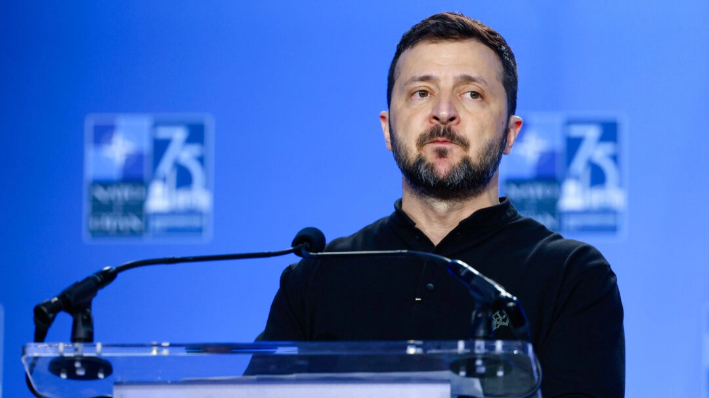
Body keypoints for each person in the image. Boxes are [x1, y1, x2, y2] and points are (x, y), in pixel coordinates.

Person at [259, 12, 624, 397]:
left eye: (471, 94)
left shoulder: (572, 275)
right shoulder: (318, 277)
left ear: (510, 134)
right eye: (421, 93)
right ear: (387, 127)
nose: (444, 112)